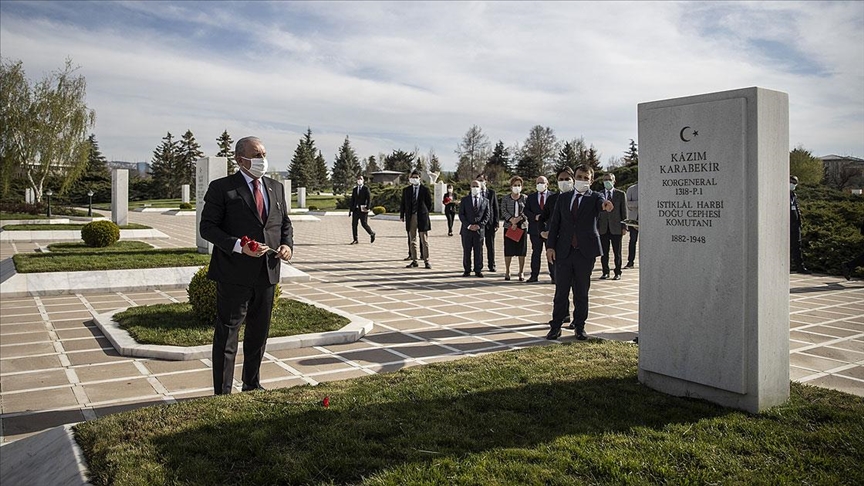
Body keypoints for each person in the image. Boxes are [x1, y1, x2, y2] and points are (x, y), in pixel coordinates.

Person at [200, 136, 293, 395]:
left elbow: (284, 223)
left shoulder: (276, 187)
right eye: (257, 154)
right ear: (241, 160)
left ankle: (251, 384)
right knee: (227, 337)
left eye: (264, 153)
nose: (262, 159)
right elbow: (207, 228)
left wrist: (287, 245)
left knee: (258, 335)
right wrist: (240, 246)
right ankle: (223, 392)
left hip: (267, 273)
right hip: (233, 274)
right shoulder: (222, 188)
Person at [545, 165, 613, 341]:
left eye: (586, 177)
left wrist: (605, 205)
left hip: (585, 252)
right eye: (579, 177)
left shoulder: (595, 197)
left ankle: (580, 326)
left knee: (581, 291)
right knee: (561, 291)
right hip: (563, 251)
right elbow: (555, 224)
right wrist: (550, 247)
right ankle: (556, 326)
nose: (582, 180)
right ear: (574, 178)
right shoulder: (564, 198)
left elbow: (601, 203)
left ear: (591, 180)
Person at [597, 173, 628, 280]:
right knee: (604, 252)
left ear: (614, 181)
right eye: (605, 180)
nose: (607, 181)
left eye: (609, 179)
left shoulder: (620, 194)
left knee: (617, 252)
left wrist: (624, 227)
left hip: (616, 227)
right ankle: (605, 271)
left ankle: (618, 272)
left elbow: (624, 211)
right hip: (603, 228)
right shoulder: (599, 194)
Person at [400, 170, 433, 269]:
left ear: (419, 178)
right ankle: (414, 260)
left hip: (422, 216)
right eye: (412, 177)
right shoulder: (406, 190)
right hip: (411, 216)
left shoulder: (425, 189)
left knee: (424, 239)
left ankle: (426, 260)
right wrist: (402, 215)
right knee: (412, 239)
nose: (414, 179)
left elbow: (429, 204)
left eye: (416, 177)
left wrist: (424, 212)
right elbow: (403, 204)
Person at [458, 179, 491, 277]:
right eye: (473, 186)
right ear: (470, 188)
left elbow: (487, 215)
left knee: (479, 251)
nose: (475, 188)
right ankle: (467, 270)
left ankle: (478, 269)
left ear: (481, 188)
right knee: (467, 251)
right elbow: (461, 214)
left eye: (477, 186)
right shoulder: (465, 200)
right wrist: (468, 225)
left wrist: (479, 225)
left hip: (479, 231)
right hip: (466, 230)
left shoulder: (485, 201)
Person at [524, 175, 553, 283]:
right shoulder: (531, 197)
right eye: (538, 183)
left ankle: (554, 276)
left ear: (547, 184)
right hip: (535, 230)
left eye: (542, 182)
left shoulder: (553, 196)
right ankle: (534, 275)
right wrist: (534, 217)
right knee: (536, 252)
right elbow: (526, 211)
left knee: (550, 252)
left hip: (549, 229)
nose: (540, 185)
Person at [501, 176, 528, 281]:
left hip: (522, 226)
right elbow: (503, 210)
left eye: (519, 185)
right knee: (508, 250)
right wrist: (512, 220)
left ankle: (521, 271)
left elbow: (528, 211)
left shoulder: (525, 198)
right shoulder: (506, 198)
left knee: (522, 250)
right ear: (511, 186)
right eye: (515, 185)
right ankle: (507, 271)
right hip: (509, 227)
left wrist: (519, 219)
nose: (517, 187)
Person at [476, 174, 499, 272]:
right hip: (479, 224)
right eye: (478, 180)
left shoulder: (491, 193)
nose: (480, 182)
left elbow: (496, 208)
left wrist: (496, 223)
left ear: (486, 181)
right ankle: (479, 265)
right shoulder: (474, 193)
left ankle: (491, 264)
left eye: (482, 180)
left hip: (490, 223)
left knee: (490, 245)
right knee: (478, 245)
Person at [790, 175, 811, 274]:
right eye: (792, 182)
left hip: (795, 224)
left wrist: (799, 221)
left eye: (795, 183)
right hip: (787, 224)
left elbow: (796, 208)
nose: (793, 185)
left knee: (797, 245)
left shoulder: (793, 195)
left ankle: (800, 266)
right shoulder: (782, 194)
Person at [348, 175, 375, 245]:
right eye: (358, 179)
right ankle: (355, 239)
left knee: (364, 224)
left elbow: (369, 199)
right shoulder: (355, 189)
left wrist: (368, 207)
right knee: (354, 225)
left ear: (363, 180)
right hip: (355, 210)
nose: (359, 180)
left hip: (363, 209)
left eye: (361, 179)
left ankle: (372, 233)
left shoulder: (366, 189)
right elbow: (352, 200)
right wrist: (350, 210)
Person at [625, 182, 638, 268]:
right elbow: (627, 203)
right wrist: (639, 203)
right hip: (634, 220)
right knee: (633, 241)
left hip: (648, 220)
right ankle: (630, 262)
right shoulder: (631, 189)